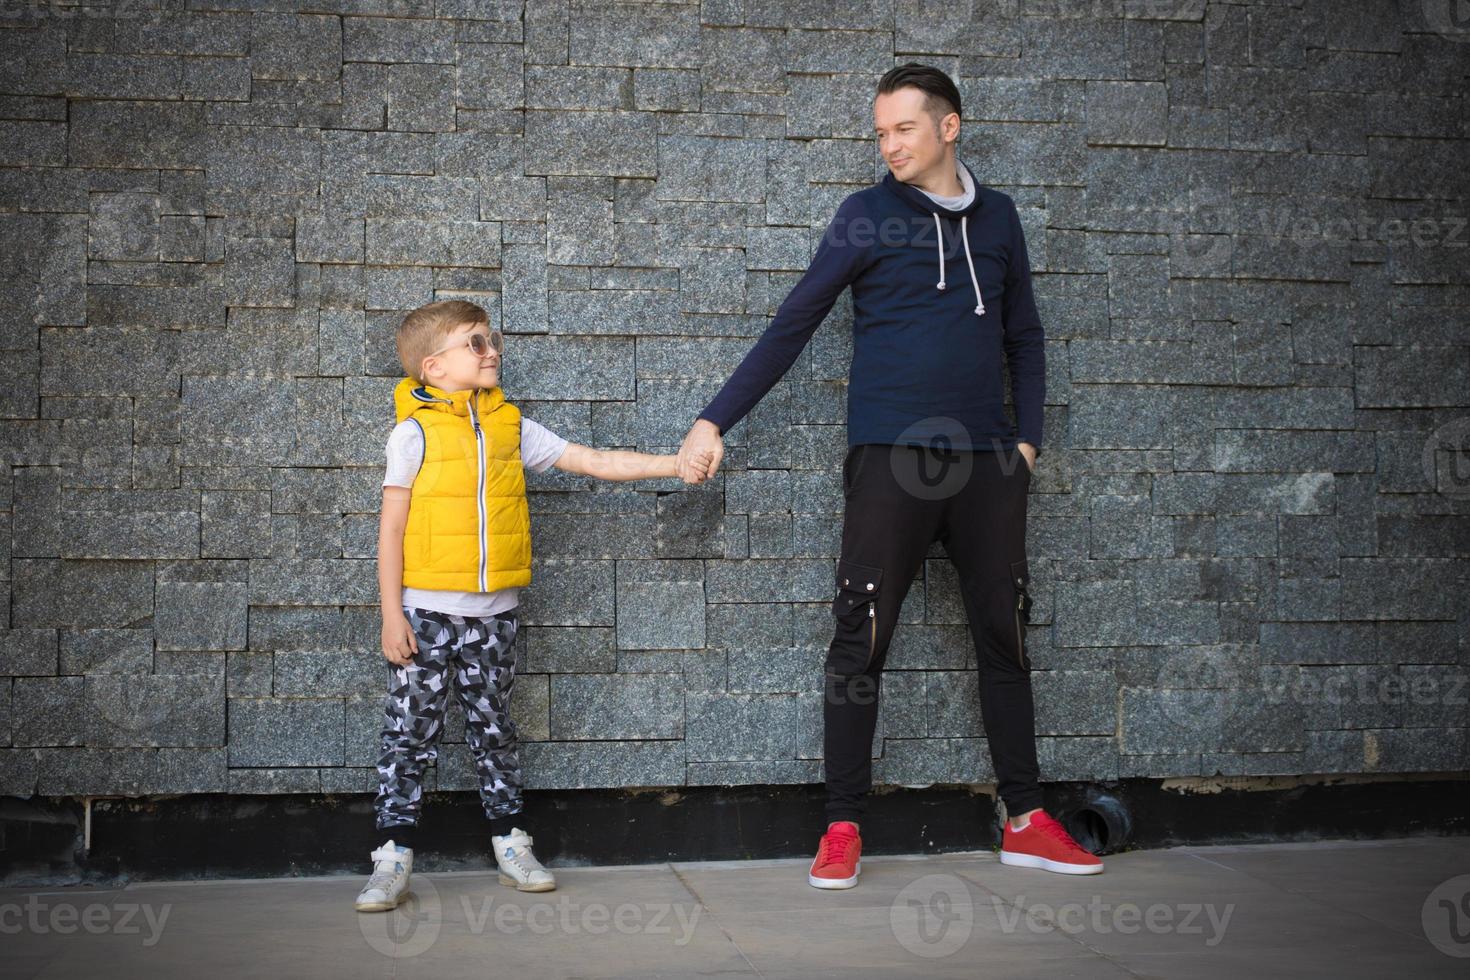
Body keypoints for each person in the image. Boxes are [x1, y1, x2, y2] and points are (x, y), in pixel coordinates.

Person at [675, 64, 1103, 889]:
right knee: (859, 638)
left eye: (902, 129)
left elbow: (1027, 340)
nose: (888, 145)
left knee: (1006, 637)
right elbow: (793, 322)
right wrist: (712, 419)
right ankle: (842, 825)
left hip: (986, 464)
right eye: (880, 132)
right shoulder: (866, 217)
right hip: (889, 460)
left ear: (949, 126)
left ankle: (1025, 819)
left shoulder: (1002, 219)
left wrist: (1027, 447)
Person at [356, 299, 709, 912]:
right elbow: (390, 530)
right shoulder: (411, 434)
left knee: (494, 731)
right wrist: (392, 615)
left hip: (495, 616)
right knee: (409, 733)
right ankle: (391, 855)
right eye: (476, 343)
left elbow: (590, 460)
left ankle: (509, 842)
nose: (491, 350)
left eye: (491, 340)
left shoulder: (512, 426)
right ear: (434, 367)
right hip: (427, 614)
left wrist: (675, 464)